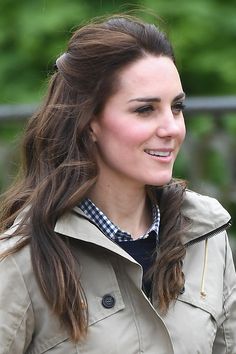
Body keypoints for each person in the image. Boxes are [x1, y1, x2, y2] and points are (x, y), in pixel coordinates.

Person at [0, 14, 235, 354]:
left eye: (177, 107)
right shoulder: (23, 259)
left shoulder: (206, 234)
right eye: (145, 110)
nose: (172, 128)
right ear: (90, 121)